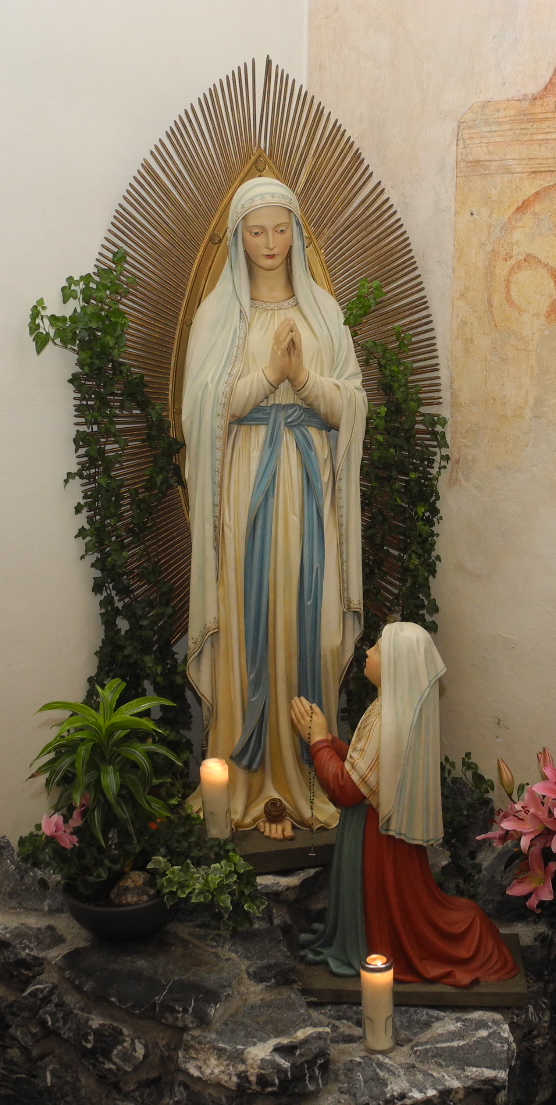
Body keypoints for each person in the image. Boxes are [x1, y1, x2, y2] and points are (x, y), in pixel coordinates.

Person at [183, 176, 367, 839]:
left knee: (309, 617)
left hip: (310, 487)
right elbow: (200, 412)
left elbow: (353, 404)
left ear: (297, 234)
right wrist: (267, 378)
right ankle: (249, 778)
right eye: (256, 231)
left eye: (280, 229)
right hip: (245, 487)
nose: (269, 243)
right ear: (238, 238)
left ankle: (306, 772)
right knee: (249, 614)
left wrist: (305, 380)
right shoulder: (218, 316)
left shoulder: (323, 312)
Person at [293, 622, 519, 987]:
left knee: (383, 907)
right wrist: (332, 743)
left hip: (375, 836)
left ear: (395, 665)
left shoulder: (389, 717)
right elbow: (367, 767)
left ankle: (371, 945)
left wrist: (318, 741)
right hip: (374, 828)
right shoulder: (389, 709)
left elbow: (347, 789)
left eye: (378, 649)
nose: (368, 652)